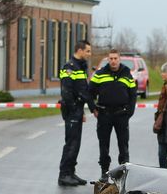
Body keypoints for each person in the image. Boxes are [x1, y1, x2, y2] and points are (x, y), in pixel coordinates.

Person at [88, 48, 138, 180]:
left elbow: (133, 94)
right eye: (111, 59)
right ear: (108, 59)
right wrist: (93, 108)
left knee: (123, 144)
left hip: (121, 114)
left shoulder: (127, 73)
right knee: (103, 144)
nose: (113, 61)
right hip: (104, 114)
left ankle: (124, 172)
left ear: (119, 59)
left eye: (115, 58)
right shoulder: (100, 74)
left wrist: (130, 112)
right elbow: (89, 92)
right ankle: (104, 171)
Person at [58, 40, 96, 186]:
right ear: (79, 50)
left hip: (78, 110)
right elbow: (66, 91)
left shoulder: (81, 66)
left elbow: (83, 90)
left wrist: (84, 110)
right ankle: (64, 174)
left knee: (76, 143)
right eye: (87, 51)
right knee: (71, 143)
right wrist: (74, 109)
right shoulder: (70, 67)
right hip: (71, 110)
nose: (89, 54)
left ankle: (71, 172)